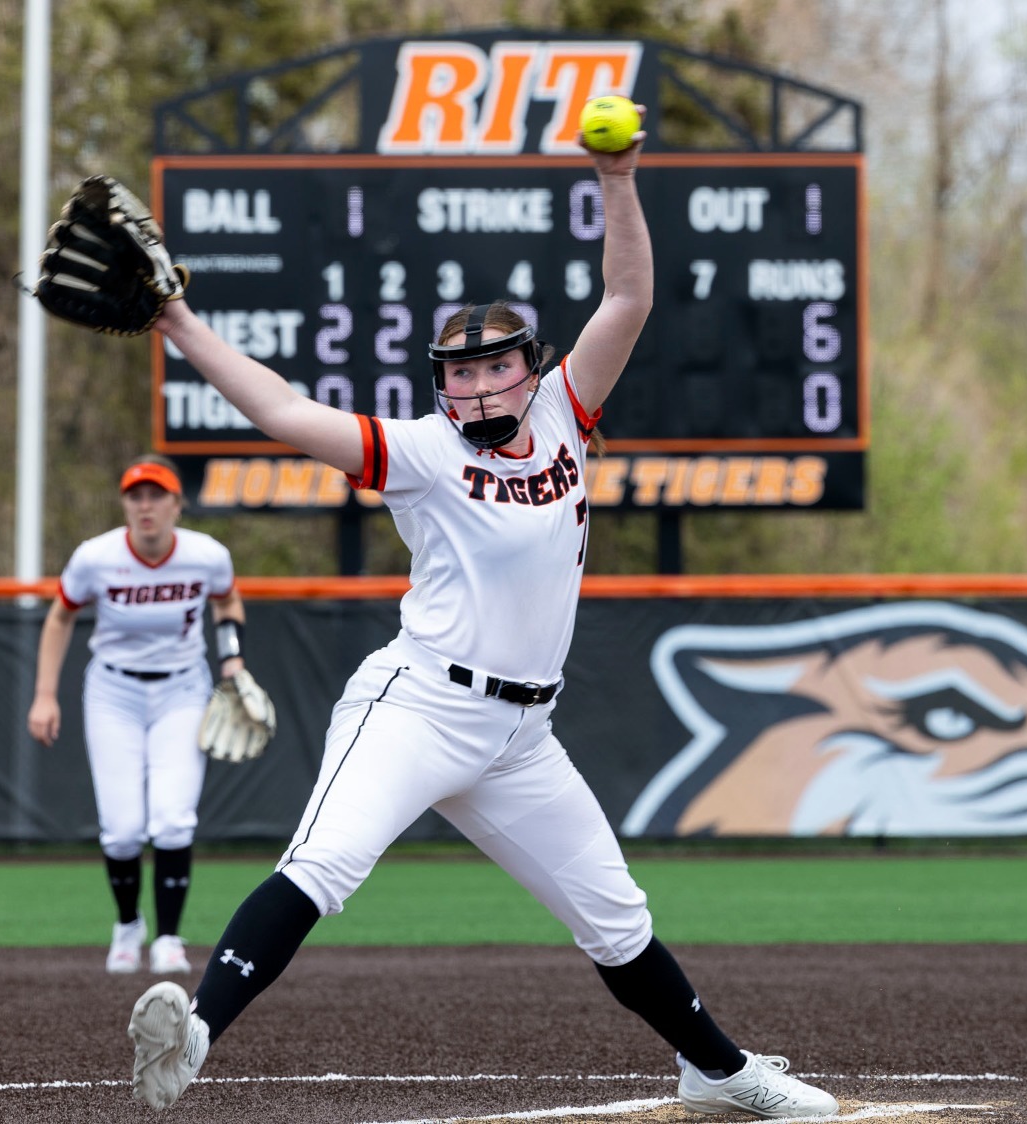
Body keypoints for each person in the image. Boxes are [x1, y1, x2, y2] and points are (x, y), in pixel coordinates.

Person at [122, 114, 839, 1119]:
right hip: (419, 704)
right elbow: (285, 412)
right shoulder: (421, 451)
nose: (474, 382)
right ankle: (193, 1034)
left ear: (528, 366)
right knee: (322, 864)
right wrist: (180, 326)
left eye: (494, 364)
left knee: (613, 915)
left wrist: (617, 176)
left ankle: (717, 1070)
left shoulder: (562, 410)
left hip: (520, 733)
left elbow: (627, 293)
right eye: (457, 371)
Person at [28, 455, 248, 976]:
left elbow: (228, 601)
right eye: (136, 495)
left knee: (173, 819)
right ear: (126, 503)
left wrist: (233, 657)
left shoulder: (206, 554)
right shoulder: (96, 557)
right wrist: (44, 693)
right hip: (113, 691)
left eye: (156, 495)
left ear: (176, 503)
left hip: (182, 690)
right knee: (123, 829)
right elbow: (60, 617)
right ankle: (128, 926)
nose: (145, 505)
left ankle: (169, 938)